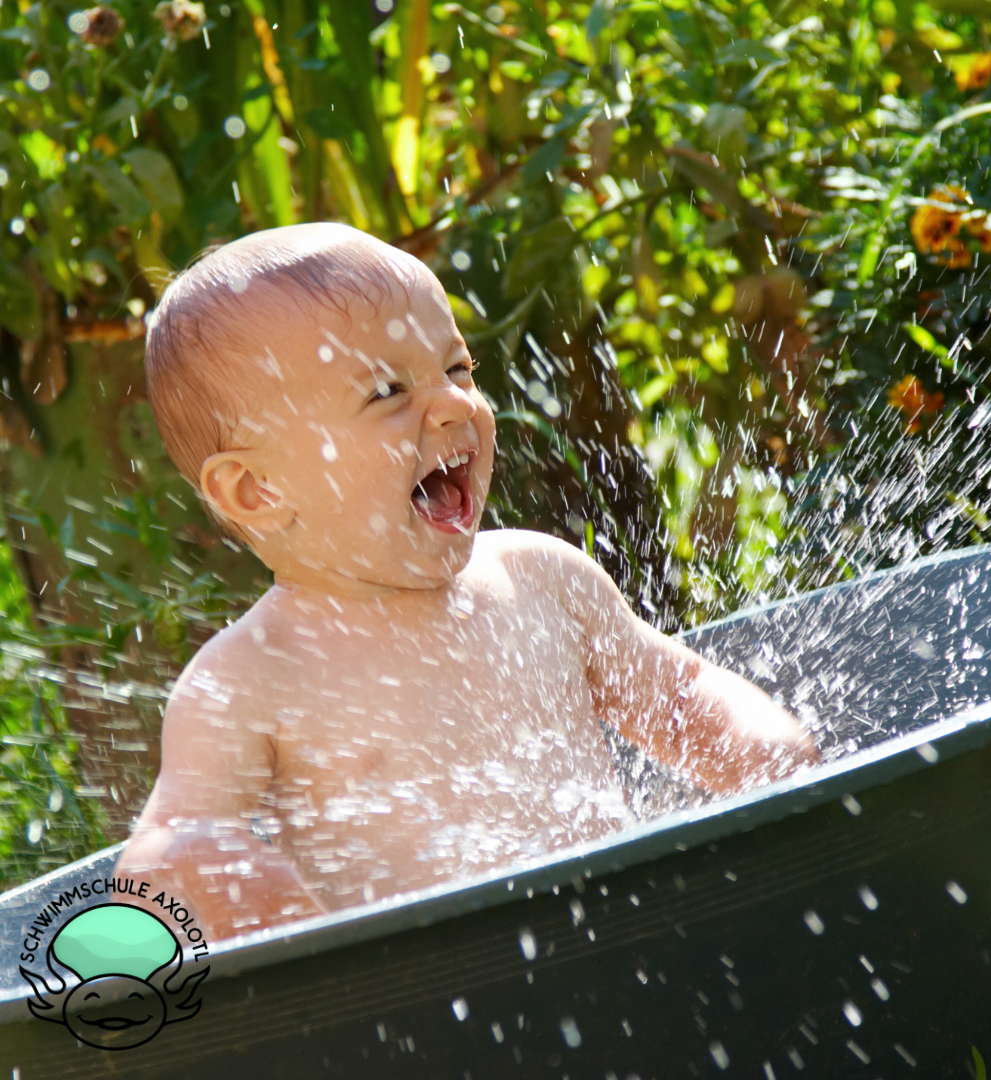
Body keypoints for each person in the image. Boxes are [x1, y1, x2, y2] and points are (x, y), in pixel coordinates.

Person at [115, 223, 816, 940]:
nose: (455, 406)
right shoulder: (250, 678)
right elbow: (165, 854)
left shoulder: (541, 578)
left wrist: (778, 766)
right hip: (441, 1004)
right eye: (387, 391)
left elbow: (680, 695)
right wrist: (245, 894)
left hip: (628, 939)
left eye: (457, 370)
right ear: (257, 491)